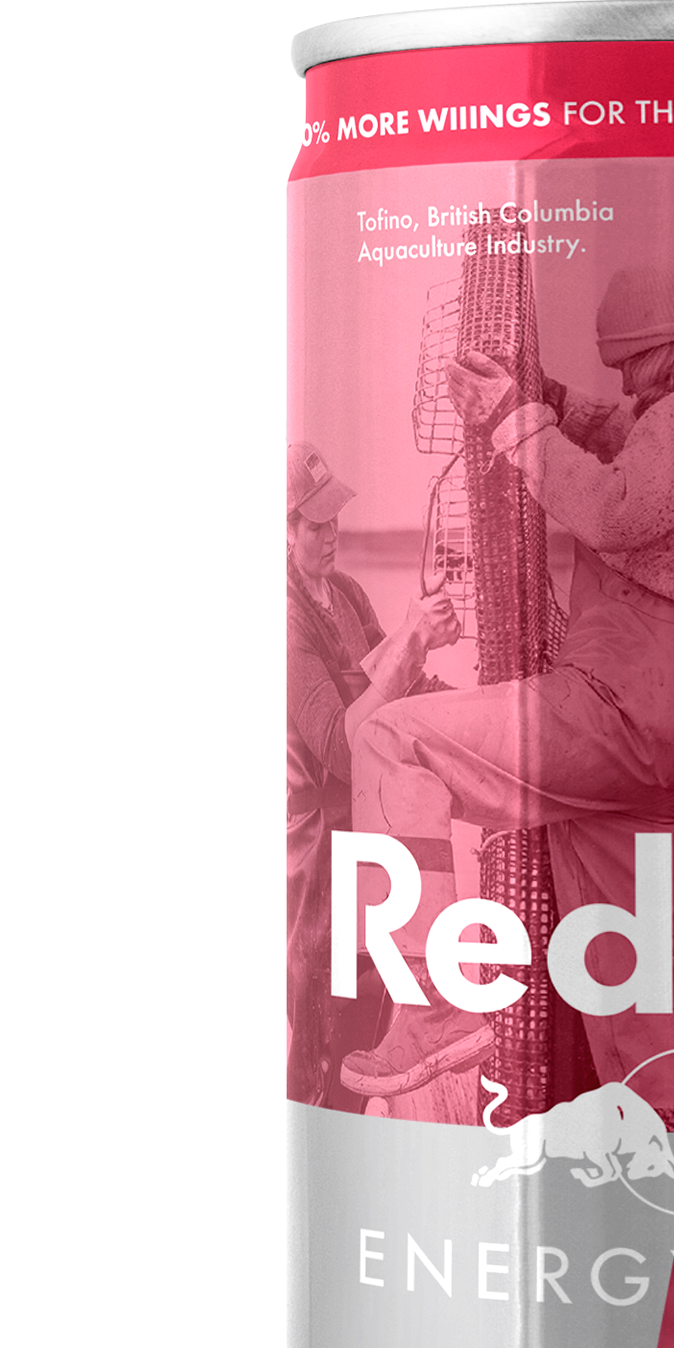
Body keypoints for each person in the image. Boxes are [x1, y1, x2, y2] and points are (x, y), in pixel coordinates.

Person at [343, 264, 674, 1120]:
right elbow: (635, 440)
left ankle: (435, 1006)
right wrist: (550, 399)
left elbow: (615, 507)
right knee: (644, 980)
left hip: (626, 716)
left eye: (630, 368)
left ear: (665, 353)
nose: (624, 387)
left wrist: (514, 425)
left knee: (392, 741)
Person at [284, 443, 458, 1105]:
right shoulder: (290, 621)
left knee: (371, 1020)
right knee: (323, 1041)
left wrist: (458, 692)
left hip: (370, 837)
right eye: (316, 523)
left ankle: (350, 1142)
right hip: (318, 859)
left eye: (335, 518)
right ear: (287, 530)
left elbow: (397, 688)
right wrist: (411, 639)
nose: (332, 533)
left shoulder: (348, 594)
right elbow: (338, 745)